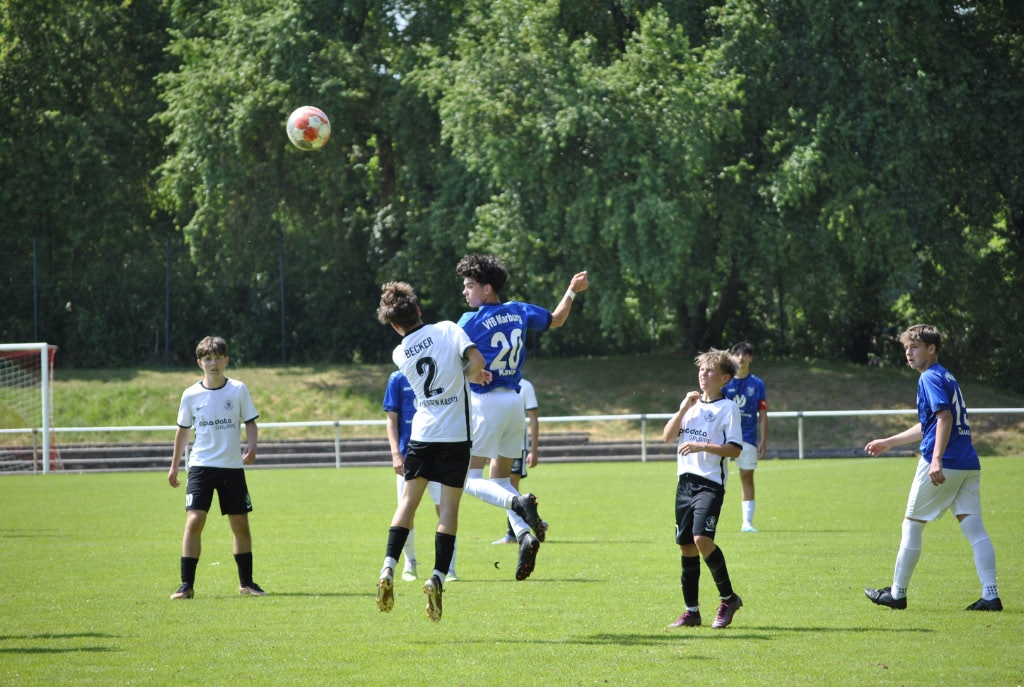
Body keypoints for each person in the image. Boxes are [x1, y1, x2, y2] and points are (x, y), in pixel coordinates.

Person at [456, 254, 588, 581]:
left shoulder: (469, 321)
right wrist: (571, 290)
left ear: (487, 288)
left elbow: (452, 363)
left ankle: (520, 505)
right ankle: (524, 534)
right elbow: (557, 319)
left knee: (467, 478)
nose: (465, 292)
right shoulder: (519, 310)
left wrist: (470, 374)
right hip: (515, 403)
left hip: (487, 403)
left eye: (470, 286)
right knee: (501, 482)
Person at [864, 324, 1001, 612]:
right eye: (906, 348)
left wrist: (936, 458)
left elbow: (944, 418)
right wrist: (889, 442)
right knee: (975, 528)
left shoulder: (929, 377)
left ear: (931, 348)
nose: (908, 353)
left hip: (944, 462)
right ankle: (990, 595)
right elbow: (930, 424)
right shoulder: (945, 375)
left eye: (914, 347)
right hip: (967, 462)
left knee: (912, 524)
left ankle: (897, 593)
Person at [374, 281, 487, 622]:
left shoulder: (399, 353)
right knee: (448, 510)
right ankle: (437, 576)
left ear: (395, 326)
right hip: (455, 437)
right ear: (419, 310)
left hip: (422, 435)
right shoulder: (448, 329)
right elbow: (477, 362)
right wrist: (463, 377)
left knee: (408, 503)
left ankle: (388, 567)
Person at [167, 335, 264, 600]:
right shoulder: (190, 394)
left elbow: (250, 422)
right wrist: (174, 466)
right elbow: (182, 431)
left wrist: (252, 446)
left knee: (240, 524)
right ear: (200, 363)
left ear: (226, 360)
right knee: (195, 520)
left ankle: (246, 583)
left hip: (231, 467)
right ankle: (186, 585)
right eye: (208, 359)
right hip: (201, 467)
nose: (214, 363)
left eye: (218, 358)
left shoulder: (238, 389)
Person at [662, 349, 744, 629]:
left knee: (701, 539)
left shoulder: (728, 408)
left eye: (710, 371)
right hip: (684, 483)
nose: (703, 374)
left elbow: (734, 449)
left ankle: (728, 598)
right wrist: (684, 408)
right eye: (701, 369)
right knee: (686, 545)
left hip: (710, 484)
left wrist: (701, 446)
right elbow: (667, 436)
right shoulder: (691, 405)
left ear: (725, 378)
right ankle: (692, 612)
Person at [383, 370, 459, 581]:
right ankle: (410, 563)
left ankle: (449, 568)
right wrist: (395, 453)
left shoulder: (439, 369)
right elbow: (391, 419)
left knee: (445, 509)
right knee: (407, 510)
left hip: (440, 454)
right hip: (410, 456)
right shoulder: (397, 378)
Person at [721, 341, 768, 532]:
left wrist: (763, 440)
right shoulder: (725, 381)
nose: (741, 358)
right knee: (717, 477)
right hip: (724, 437)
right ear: (732, 357)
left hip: (748, 436)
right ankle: (710, 518)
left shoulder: (757, 384)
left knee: (747, 477)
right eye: (738, 354)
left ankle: (747, 522)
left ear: (750, 358)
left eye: (745, 354)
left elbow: (763, 414)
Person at [492, 376, 541, 545]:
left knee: (510, 485)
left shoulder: (525, 386)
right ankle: (531, 519)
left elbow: (533, 419)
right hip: (499, 443)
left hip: (517, 444)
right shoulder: (495, 382)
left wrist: (533, 450)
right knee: (501, 485)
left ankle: (513, 533)